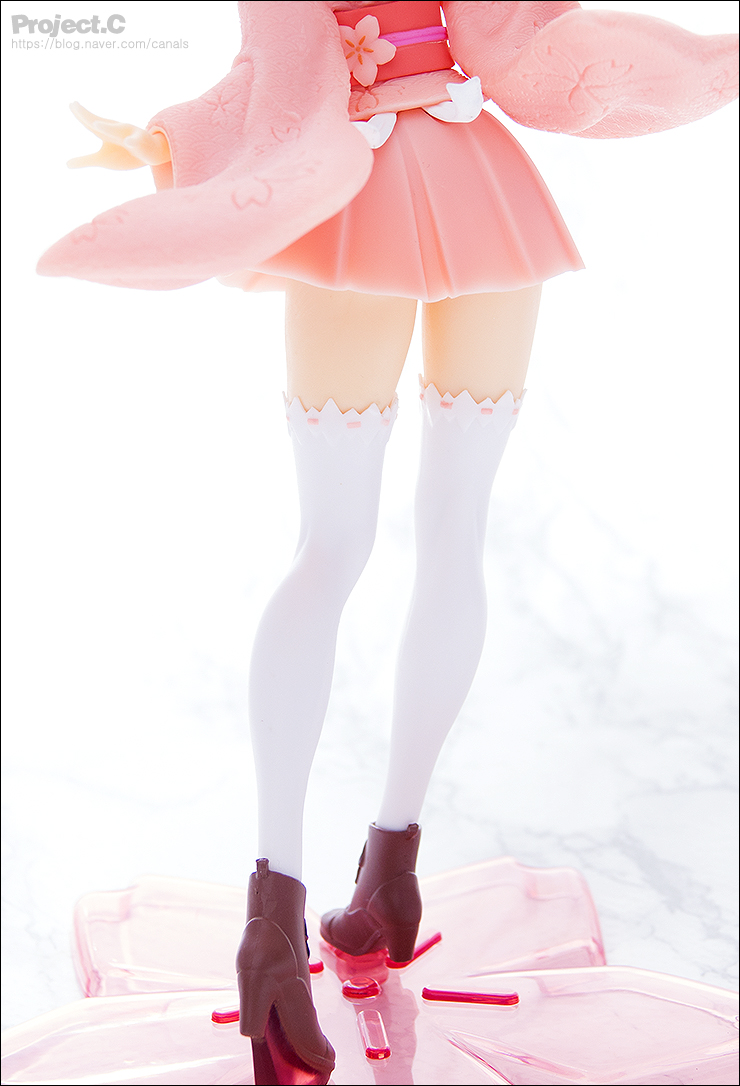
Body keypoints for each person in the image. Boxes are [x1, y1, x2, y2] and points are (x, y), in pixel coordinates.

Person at [38, 3, 738, 1082]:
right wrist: (172, 137)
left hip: (394, 204)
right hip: (452, 198)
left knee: (363, 544)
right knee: (400, 542)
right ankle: (339, 890)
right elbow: (297, 71)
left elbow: (293, 70)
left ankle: (320, 901)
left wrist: (169, 138)